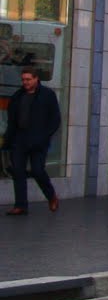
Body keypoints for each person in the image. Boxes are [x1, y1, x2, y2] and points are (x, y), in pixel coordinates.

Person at [6, 66, 61, 215]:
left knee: (37, 170)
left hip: (38, 140)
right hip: (19, 139)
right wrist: (9, 140)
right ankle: (20, 205)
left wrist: (44, 136)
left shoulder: (47, 95)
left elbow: (55, 119)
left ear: (36, 79)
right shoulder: (18, 96)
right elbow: (12, 120)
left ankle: (51, 196)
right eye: (23, 79)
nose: (25, 82)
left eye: (28, 79)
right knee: (18, 172)